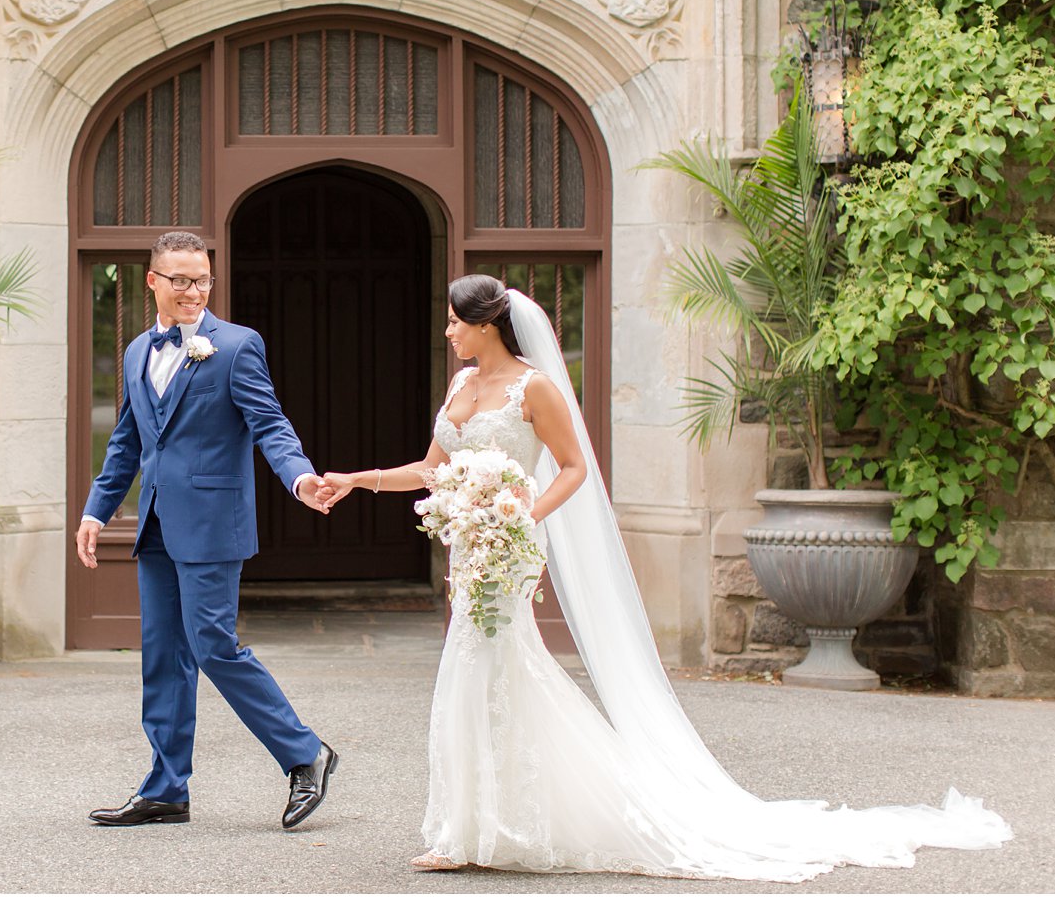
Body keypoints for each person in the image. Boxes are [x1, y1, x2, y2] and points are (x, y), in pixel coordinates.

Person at [318, 274, 1012, 879]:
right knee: (470, 676)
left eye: (454, 322)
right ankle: (464, 831)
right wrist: (358, 479)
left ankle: (508, 827)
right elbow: (435, 467)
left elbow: (572, 468)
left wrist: (522, 513)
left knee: (496, 670)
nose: (447, 333)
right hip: (469, 552)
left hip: (507, 546)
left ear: (487, 324)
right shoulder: (464, 384)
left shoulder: (535, 390)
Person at [76, 231, 337, 831]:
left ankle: (306, 754)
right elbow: (127, 442)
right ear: (153, 282)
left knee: (213, 645)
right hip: (157, 523)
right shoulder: (138, 350)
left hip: (215, 524)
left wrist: (298, 480)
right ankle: (166, 788)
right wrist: (96, 510)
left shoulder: (237, 346)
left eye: (202, 280)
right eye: (181, 280)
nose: (194, 291)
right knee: (162, 655)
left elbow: (271, 423)